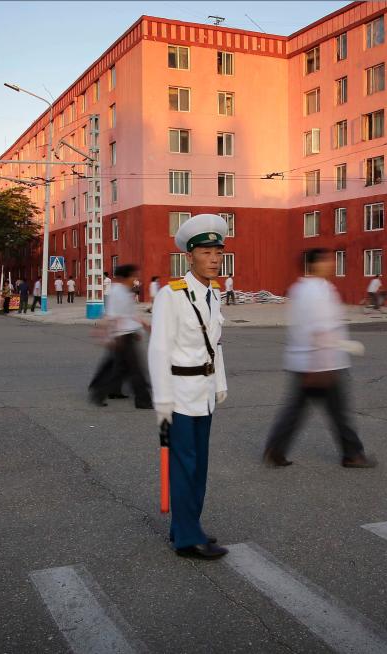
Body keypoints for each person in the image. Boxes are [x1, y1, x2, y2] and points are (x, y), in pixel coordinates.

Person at [148, 213, 230, 560]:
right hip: (179, 395)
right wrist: (162, 400)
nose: (214, 259)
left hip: (205, 392)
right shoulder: (172, 295)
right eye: (206, 253)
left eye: (218, 252)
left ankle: (185, 524)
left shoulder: (213, 294)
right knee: (185, 467)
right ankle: (186, 539)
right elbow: (159, 348)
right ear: (189, 256)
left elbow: (217, 343)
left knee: (199, 466)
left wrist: (220, 382)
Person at [263, 249, 374, 469]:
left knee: (297, 409)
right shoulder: (317, 291)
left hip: (305, 361)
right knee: (338, 411)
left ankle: (276, 449)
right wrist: (321, 367)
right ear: (314, 264)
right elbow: (320, 329)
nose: (332, 263)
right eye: (327, 260)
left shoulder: (302, 288)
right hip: (322, 363)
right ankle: (352, 454)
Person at [89, 264, 153, 409]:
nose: (135, 279)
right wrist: (109, 336)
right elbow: (112, 316)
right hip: (122, 336)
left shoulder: (124, 291)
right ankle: (143, 400)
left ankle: (106, 391)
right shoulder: (117, 292)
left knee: (118, 367)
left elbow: (129, 314)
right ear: (125, 277)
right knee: (135, 369)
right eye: (133, 276)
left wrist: (141, 326)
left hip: (127, 334)